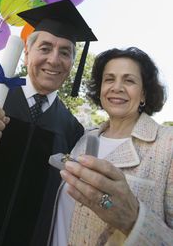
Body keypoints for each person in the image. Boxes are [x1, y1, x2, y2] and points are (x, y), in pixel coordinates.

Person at [0, 0, 97, 246]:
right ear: (26, 53)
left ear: (72, 63)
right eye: (45, 48)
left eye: (65, 52)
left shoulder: (72, 130)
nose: (54, 60)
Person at [48, 47, 173, 246]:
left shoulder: (167, 145)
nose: (117, 87)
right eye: (109, 79)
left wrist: (133, 220)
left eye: (129, 80)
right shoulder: (83, 138)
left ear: (144, 94)